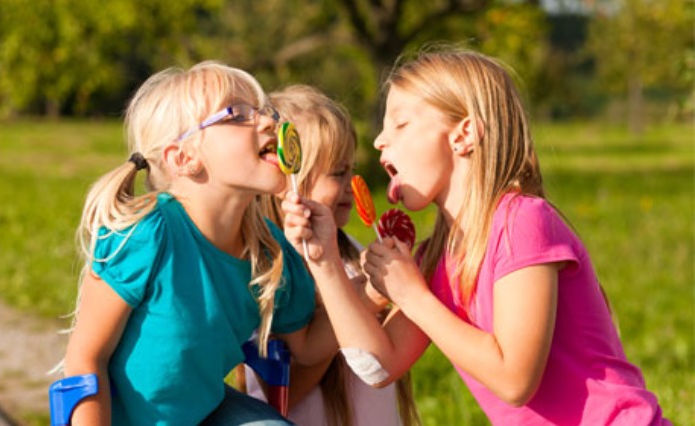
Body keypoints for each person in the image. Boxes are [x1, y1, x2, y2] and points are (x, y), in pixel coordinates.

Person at [281, 47, 670, 425]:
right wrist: (325, 260)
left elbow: (514, 380)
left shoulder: (520, 221)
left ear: (464, 135)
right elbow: (377, 366)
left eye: (400, 123)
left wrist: (412, 296)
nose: (380, 141)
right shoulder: (438, 258)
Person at [61, 62, 337, 425]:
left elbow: (306, 347)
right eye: (238, 114)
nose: (270, 122)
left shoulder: (269, 253)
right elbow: (84, 359)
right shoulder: (148, 233)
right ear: (184, 158)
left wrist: (364, 290)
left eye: (266, 112)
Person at [240, 84, 420, 426]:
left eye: (351, 169)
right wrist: (360, 302)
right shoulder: (270, 269)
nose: (354, 184)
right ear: (286, 178)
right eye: (338, 173)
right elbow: (284, 395)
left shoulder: (352, 250)